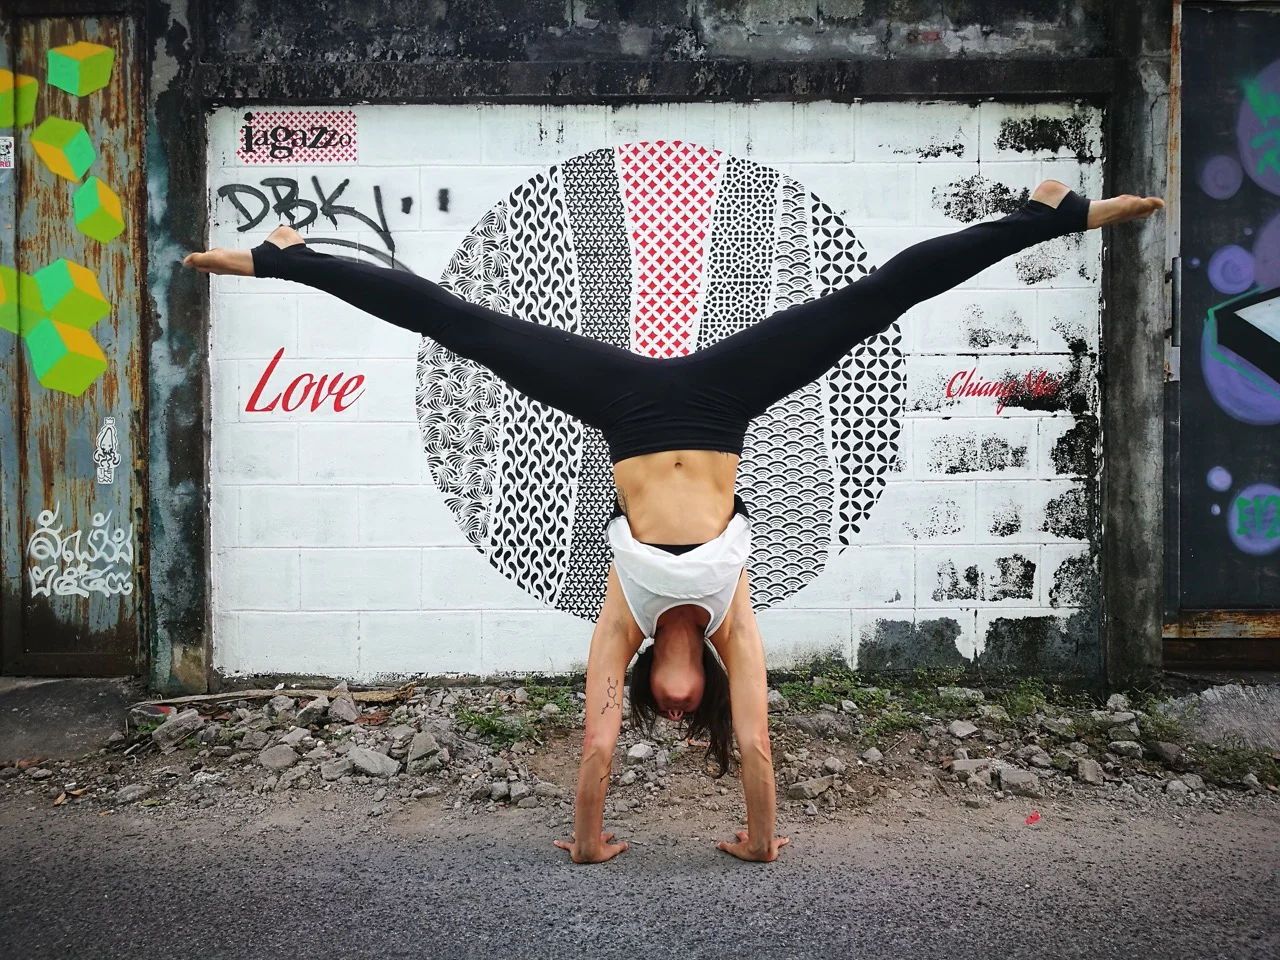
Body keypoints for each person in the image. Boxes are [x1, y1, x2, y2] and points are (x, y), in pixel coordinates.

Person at [185, 180, 1163, 864]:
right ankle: (291, 261)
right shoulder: (734, 619)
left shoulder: (626, 613)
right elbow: (759, 751)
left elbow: (598, 749)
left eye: (673, 705)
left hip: (623, 404)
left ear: (657, 681)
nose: (686, 705)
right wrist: (758, 840)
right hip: (726, 396)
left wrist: (585, 840)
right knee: (868, 302)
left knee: (465, 324)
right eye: (693, 708)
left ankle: (1044, 219)